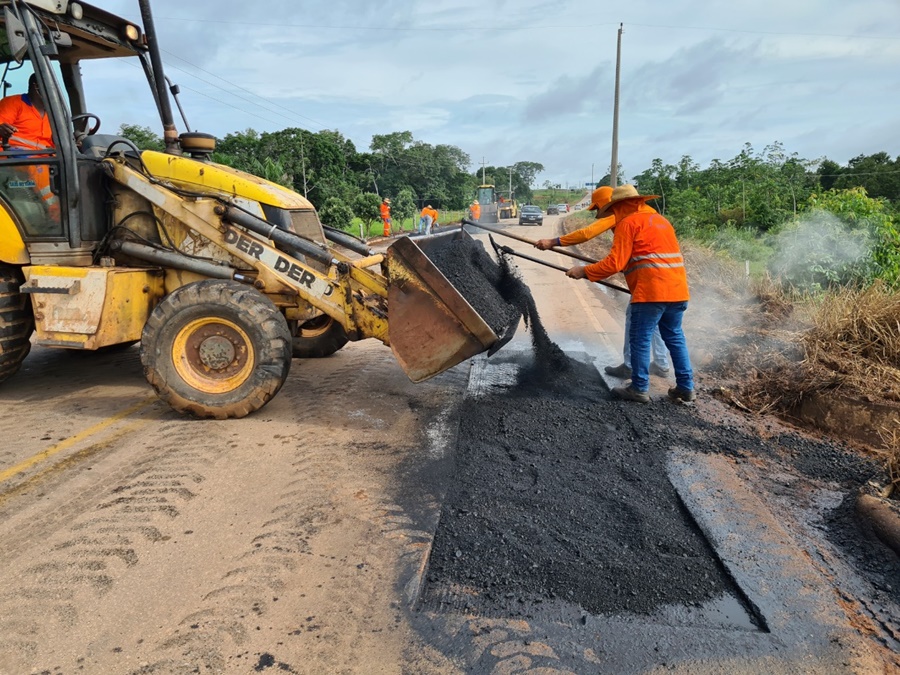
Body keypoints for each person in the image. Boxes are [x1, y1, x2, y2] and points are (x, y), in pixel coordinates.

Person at [565, 184, 695, 404]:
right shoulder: (662, 221)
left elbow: (614, 264)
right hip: (678, 290)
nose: (614, 214)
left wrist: (583, 271)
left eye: (614, 209)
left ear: (624, 205)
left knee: (640, 339)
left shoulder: (629, 222)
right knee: (675, 337)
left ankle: (639, 388)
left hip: (651, 293)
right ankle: (685, 387)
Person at [535, 185, 671, 378]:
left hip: (648, 279)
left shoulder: (622, 214)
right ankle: (661, 362)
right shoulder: (648, 213)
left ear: (610, 204)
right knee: (655, 320)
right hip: (663, 275)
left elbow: (587, 233)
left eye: (598, 208)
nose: (599, 213)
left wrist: (554, 242)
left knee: (637, 318)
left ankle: (631, 367)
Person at [0, 74, 54, 151]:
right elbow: (1, 125)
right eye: (51, 87)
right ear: (37, 87)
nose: (54, 90)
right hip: (15, 158)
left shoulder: (54, 114)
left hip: (46, 159)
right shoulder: (13, 103)